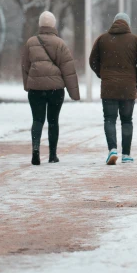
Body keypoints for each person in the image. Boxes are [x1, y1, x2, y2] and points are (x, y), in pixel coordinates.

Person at [89, 13, 137, 165]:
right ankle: (126, 154)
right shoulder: (136, 40)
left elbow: (92, 60)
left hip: (108, 86)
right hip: (128, 87)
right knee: (127, 120)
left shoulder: (102, 39)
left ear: (114, 23)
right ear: (127, 24)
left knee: (109, 119)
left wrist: (102, 74)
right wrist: (136, 76)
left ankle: (112, 150)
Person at [22, 11, 80, 166]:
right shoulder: (60, 43)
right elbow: (68, 69)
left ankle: (35, 150)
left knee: (37, 120)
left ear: (40, 25)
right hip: (55, 89)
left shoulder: (30, 42)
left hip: (36, 89)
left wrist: (28, 85)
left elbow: (25, 66)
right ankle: (53, 155)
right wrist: (74, 93)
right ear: (53, 25)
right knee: (53, 121)